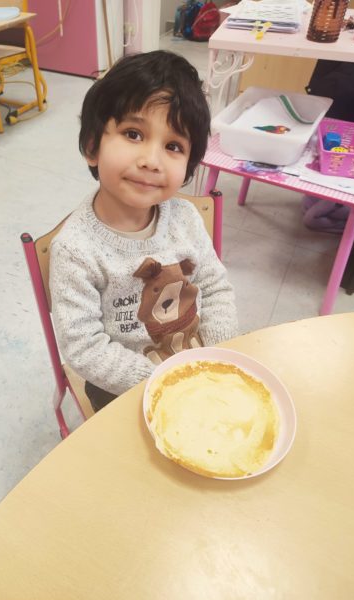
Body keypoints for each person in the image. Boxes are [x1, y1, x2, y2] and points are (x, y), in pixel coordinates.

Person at [49, 50, 238, 412]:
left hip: (195, 364)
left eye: (173, 146)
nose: (151, 161)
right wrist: (161, 380)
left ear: (188, 167)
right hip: (122, 386)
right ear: (92, 146)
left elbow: (214, 287)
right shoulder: (75, 249)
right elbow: (84, 348)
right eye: (133, 134)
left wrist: (215, 352)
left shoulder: (185, 217)